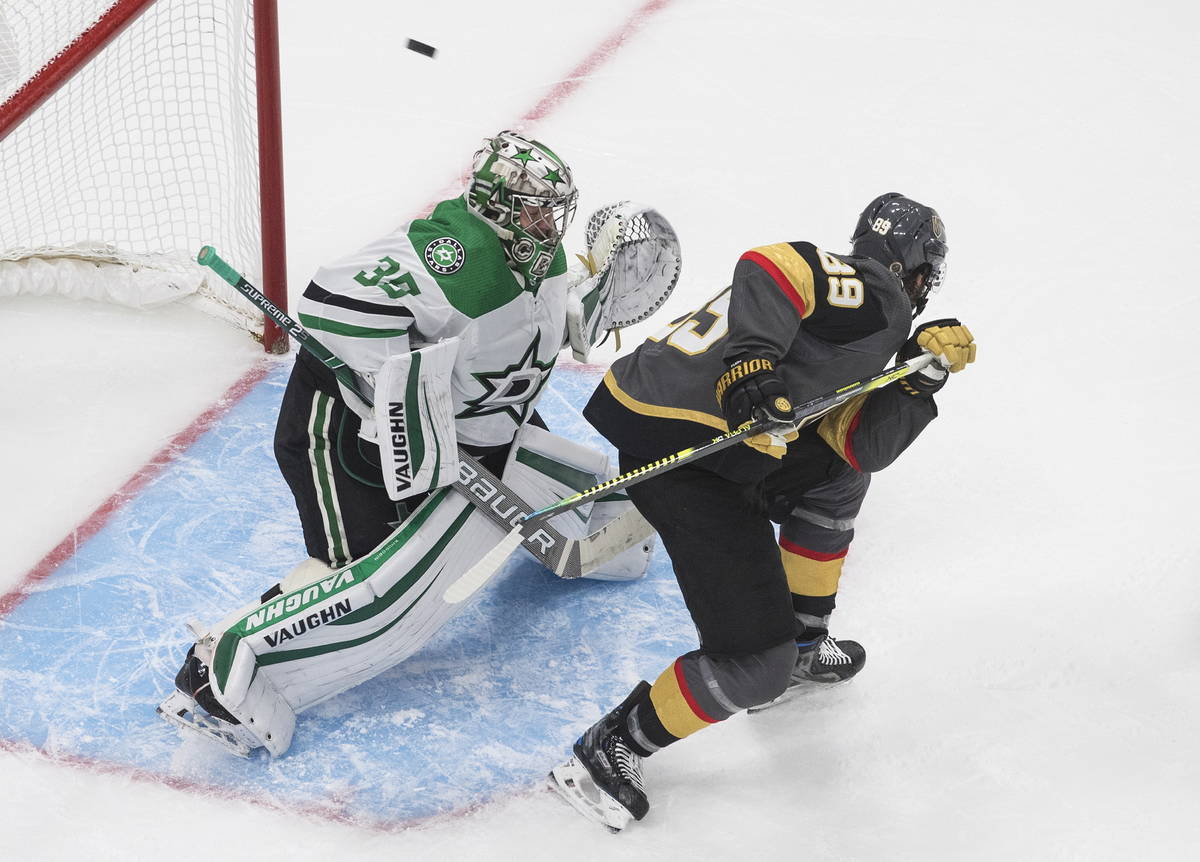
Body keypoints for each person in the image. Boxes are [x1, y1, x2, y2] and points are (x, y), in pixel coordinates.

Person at [159, 131, 681, 757]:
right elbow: (330, 304)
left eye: (553, 208)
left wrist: (587, 303)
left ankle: (584, 524)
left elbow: (544, 322)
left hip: (468, 429)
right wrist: (400, 392)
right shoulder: (452, 258)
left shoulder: (543, 262)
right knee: (362, 573)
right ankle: (216, 665)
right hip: (342, 433)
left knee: (462, 522)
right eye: (532, 208)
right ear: (494, 205)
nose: (547, 223)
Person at [549, 193, 977, 830]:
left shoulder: (863, 328)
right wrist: (751, 366)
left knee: (841, 477)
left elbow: (859, 444)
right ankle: (608, 749)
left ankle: (805, 640)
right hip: (684, 451)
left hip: (662, 417)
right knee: (754, 667)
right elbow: (772, 264)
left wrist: (918, 381)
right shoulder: (876, 293)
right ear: (915, 264)